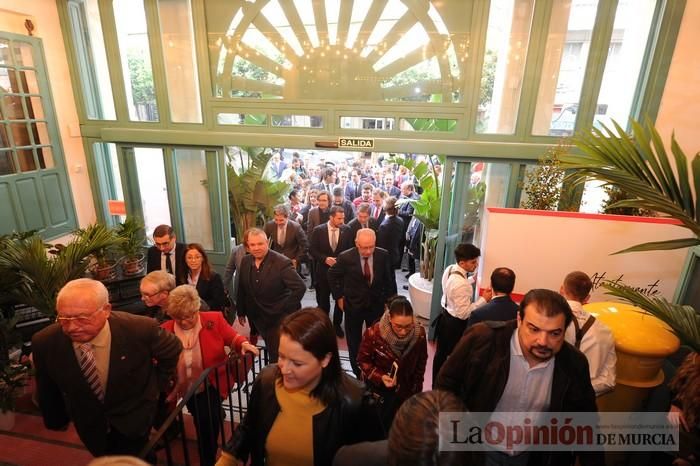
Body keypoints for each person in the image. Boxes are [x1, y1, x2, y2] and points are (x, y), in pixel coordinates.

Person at [436, 289, 602, 466]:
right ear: (519, 320)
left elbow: (587, 421)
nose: (543, 341)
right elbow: (445, 386)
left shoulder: (574, 364)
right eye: (534, 329)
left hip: (531, 457)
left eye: (554, 333)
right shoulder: (482, 340)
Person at [32, 278, 182, 457]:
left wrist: (157, 386)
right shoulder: (45, 341)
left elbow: (172, 350)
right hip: (90, 426)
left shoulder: (140, 328)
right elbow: (47, 386)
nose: (72, 327)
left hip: (135, 420)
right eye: (64, 318)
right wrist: (55, 420)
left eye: (82, 318)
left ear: (106, 310)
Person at [216, 308, 380, 466]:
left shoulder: (355, 401)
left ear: (325, 360)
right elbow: (249, 426)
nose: (284, 369)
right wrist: (227, 459)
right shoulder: (267, 381)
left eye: (297, 363)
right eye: (281, 356)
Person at [161, 285, 259, 466]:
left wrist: (243, 344)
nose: (184, 322)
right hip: (184, 388)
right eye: (179, 318)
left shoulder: (213, 319)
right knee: (200, 418)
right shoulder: (165, 329)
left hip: (210, 384)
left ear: (197, 309)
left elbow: (233, 337)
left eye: (190, 316)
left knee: (207, 424)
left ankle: (208, 457)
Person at [328, 228, 397, 377]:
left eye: (371, 247)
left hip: (376, 304)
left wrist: (391, 304)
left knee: (377, 338)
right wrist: (339, 297)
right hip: (353, 305)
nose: (368, 251)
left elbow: (390, 280)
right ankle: (357, 371)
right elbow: (332, 275)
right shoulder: (345, 257)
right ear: (356, 244)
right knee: (354, 341)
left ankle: (374, 369)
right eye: (364, 247)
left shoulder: (383, 255)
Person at [357, 296, 427, 433]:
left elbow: (420, 364)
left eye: (408, 326)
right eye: (398, 326)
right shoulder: (374, 334)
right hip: (379, 394)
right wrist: (380, 376)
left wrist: (416, 392)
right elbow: (362, 361)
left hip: (406, 392)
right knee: (378, 428)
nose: (403, 331)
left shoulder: (419, 335)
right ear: (389, 318)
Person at [236, 228, 306, 362]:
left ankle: (276, 379)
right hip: (257, 316)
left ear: (267, 242)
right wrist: (241, 311)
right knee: (269, 346)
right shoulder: (245, 261)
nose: (256, 248)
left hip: (277, 319)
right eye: (252, 245)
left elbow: (300, 287)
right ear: (248, 246)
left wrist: (285, 309)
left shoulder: (282, 262)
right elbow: (242, 287)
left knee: (276, 354)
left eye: (260, 244)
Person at [432, 243, 492, 385]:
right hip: (455, 324)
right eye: (473, 262)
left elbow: (453, 288)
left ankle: (435, 382)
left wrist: (472, 279)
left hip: (444, 317)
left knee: (440, 354)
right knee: (455, 357)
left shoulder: (450, 269)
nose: (476, 264)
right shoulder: (461, 284)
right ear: (462, 263)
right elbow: (464, 313)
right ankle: (444, 386)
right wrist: (484, 299)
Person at [560, 271, 617, 396]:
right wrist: (580, 391)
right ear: (587, 298)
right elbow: (609, 381)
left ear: (561, 289)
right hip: (582, 406)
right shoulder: (606, 331)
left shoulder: (548, 320)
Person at [310, 205, 353, 338]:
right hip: (323, 272)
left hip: (341, 273)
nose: (342, 221)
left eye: (343, 218)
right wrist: (324, 259)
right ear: (331, 217)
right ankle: (324, 325)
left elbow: (350, 249)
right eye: (339, 218)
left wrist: (341, 260)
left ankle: (336, 325)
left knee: (339, 299)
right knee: (323, 301)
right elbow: (312, 250)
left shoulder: (347, 230)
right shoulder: (318, 230)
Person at [668, 352, 700, 466]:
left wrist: (692, 458)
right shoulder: (690, 358)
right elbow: (673, 388)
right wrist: (673, 405)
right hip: (678, 427)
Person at [264, 203, 309, 270]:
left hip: (292, 261)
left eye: (281, 220)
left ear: (287, 217)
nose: (278, 223)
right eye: (276, 220)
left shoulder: (296, 227)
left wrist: (296, 260)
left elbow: (305, 246)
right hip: (275, 260)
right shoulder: (270, 226)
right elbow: (263, 240)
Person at [184, 243, 228, 311]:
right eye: (189, 257)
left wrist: (198, 306)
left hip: (207, 314)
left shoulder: (214, 277)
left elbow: (218, 303)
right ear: (185, 260)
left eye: (197, 257)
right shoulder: (183, 276)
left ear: (203, 258)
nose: (193, 260)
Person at [376, 197, 405, 270]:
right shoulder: (400, 220)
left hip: (386, 257)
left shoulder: (384, 226)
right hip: (395, 254)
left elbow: (380, 244)